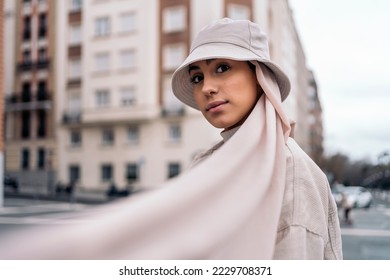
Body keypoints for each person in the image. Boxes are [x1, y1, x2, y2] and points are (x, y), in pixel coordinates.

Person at [0, 18, 342, 260]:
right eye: (197, 76)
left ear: (260, 77)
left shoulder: (292, 171)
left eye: (222, 67)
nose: (206, 87)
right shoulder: (210, 162)